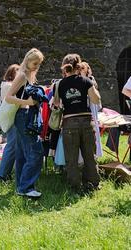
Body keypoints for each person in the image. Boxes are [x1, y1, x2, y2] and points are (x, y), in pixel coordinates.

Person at [55, 54, 101, 193]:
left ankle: (75, 187)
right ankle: (93, 184)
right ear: (78, 65)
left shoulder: (59, 84)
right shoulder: (86, 80)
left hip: (69, 122)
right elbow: (95, 100)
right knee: (89, 155)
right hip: (87, 122)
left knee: (71, 157)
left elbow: (56, 104)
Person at [5, 48, 44, 198]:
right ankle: (26, 188)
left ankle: (21, 187)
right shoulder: (21, 75)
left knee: (22, 153)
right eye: (35, 63)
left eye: (39, 64)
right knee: (36, 151)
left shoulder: (29, 76)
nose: (37, 66)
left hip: (25, 115)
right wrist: (27, 102)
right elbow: (8, 97)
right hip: (23, 115)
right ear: (27, 61)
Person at [0, 64, 20, 182]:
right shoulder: (7, 85)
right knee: (12, 145)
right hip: (11, 117)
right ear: (12, 74)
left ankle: (7, 172)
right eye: (18, 72)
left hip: (13, 116)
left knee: (14, 145)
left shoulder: (9, 85)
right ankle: (2, 174)